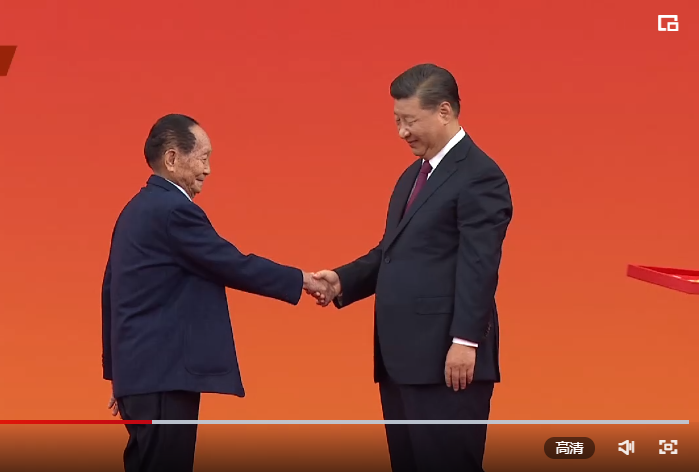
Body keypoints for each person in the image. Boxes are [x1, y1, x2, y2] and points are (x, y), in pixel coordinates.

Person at [310, 64, 513, 472]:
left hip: (446, 362)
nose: (402, 132)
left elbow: (479, 266)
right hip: (402, 360)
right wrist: (343, 280)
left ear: (444, 111)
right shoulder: (413, 176)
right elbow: (393, 251)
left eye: (410, 121)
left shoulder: (480, 176)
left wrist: (465, 342)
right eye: (397, 121)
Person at [101, 114, 328, 472]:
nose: (208, 169)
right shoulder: (173, 210)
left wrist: (118, 373)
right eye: (203, 157)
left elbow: (110, 292)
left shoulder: (134, 210)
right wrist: (302, 279)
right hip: (164, 375)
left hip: (139, 378)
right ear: (172, 158)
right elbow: (232, 263)